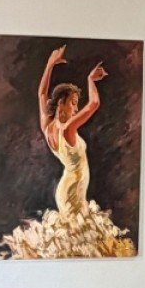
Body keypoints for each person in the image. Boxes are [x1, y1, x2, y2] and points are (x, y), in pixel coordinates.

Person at [37, 44, 107, 217]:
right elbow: (94, 104)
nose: (76, 109)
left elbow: (42, 94)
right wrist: (90, 80)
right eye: (73, 103)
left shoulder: (47, 127)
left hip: (69, 189)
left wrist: (50, 64)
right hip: (72, 192)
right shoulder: (67, 129)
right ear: (61, 103)